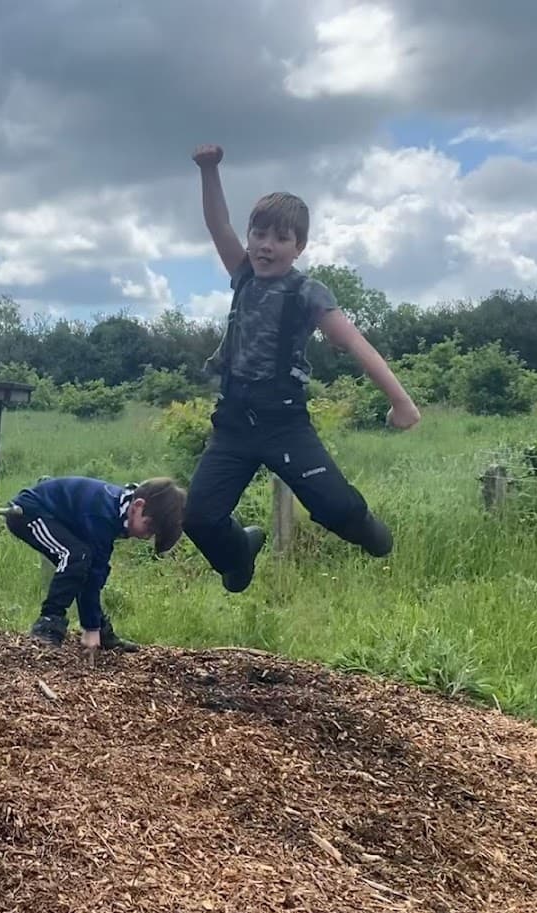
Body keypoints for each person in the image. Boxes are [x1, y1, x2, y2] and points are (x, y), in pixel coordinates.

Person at [182, 142, 421, 593]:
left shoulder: (307, 292)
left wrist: (401, 402)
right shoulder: (243, 275)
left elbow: (354, 343)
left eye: (279, 238)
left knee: (336, 511)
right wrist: (209, 170)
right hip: (233, 422)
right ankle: (239, 552)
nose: (264, 246)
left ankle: (368, 530)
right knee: (198, 516)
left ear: (298, 247)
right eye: (259, 234)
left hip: (284, 423)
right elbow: (217, 223)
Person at [6, 476, 186, 651]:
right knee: (76, 558)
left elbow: (94, 571)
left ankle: (99, 627)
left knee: (83, 565)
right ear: (138, 506)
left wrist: (93, 625)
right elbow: (92, 573)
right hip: (29, 512)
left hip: (57, 517)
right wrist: (90, 628)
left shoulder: (120, 508)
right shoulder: (103, 515)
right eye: (149, 528)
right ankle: (48, 623)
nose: (146, 536)